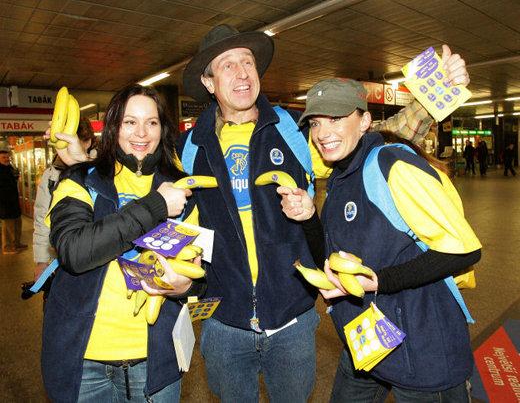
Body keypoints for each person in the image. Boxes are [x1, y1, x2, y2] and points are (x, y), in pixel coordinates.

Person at [175, 24, 472, 402]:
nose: (242, 72)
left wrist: (435, 93)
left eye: (247, 62)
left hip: (292, 319)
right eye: (227, 65)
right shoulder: (189, 148)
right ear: (209, 82)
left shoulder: (292, 131)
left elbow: (364, 136)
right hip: (224, 321)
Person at [280, 78, 482, 402]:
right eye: (316, 122)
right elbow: (330, 262)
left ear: (364, 121)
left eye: (336, 118)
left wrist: (379, 280)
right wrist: (309, 219)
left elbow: (464, 251)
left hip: (423, 349)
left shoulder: (393, 165)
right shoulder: (340, 178)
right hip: (368, 342)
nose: (322, 132)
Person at [42, 84, 204, 402]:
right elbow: (74, 251)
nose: (141, 132)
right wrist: (156, 206)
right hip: (84, 361)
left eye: (151, 122)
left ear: (162, 129)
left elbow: (200, 270)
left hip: (154, 361)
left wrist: (185, 287)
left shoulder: (181, 190)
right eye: (130, 122)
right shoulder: (82, 180)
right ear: (114, 127)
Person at [33, 118, 96, 282]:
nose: (67, 149)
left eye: (73, 142)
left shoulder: (105, 171)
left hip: (98, 254)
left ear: (88, 142)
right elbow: (41, 218)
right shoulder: (51, 175)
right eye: (63, 143)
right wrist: (41, 260)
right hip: (61, 257)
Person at [0, 146, 27, 254]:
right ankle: (7, 248)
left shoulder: (10, 168)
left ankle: (16, 244)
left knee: (17, 224)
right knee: (8, 227)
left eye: (8, 157)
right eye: (3, 157)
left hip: (14, 202)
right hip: (4, 204)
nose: (6, 159)